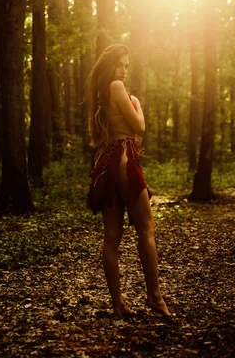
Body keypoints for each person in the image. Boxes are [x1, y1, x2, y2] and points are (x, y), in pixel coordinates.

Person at [85, 44, 171, 319]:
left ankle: (118, 305)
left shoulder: (103, 91)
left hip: (108, 161)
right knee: (146, 228)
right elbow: (140, 127)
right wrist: (138, 105)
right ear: (110, 65)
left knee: (111, 238)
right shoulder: (118, 87)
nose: (123, 70)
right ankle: (154, 296)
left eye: (126, 66)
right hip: (123, 158)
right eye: (120, 64)